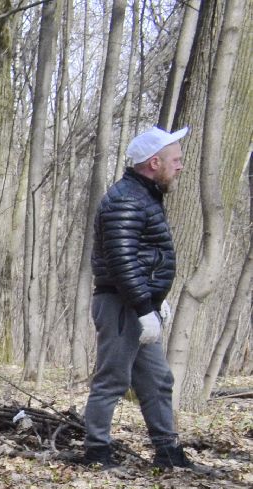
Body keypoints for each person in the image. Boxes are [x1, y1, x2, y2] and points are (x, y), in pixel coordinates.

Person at [83, 125, 200, 471]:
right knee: (112, 379)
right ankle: (96, 452)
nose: (180, 166)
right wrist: (143, 307)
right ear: (154, 162)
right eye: (175, 160)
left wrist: (154, 300)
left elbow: (142, 258)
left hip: (137, 304)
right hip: (123, 305)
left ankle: (167, 451)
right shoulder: (126, 199)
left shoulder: (143, 196)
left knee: (158, 379)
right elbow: (121, 259)